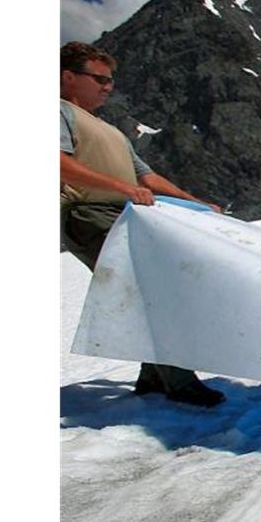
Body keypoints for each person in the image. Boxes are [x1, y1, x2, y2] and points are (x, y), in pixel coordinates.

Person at [60, 41, 226, 407]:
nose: (107, 86)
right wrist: (122, 188)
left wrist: (195, 203)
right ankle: (177, 381)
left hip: (121, 215)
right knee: (151, 287)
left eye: (110, 81)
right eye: (99, 78)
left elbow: (146, 176)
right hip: (87, 214)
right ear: (68, 77)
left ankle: (153, 378)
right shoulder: (57, 112)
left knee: (149, 287)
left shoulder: (110, 130)